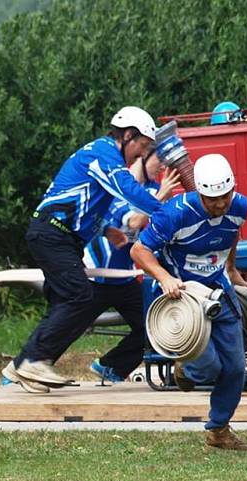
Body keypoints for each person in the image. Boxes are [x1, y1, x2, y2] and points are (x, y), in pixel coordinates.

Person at [2, 106, 165, 392]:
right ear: (127, 135)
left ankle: (23, 365)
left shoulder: (103, 156)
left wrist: (105, 230)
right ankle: (35, 361)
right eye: (142, 145)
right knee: (79, 297)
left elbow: (83, 202)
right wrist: (169, 212)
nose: (141, 153)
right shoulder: (103, 153)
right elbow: (128, 190)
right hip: (53, 235)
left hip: (60, 237)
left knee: (67, 304)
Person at [130, 153, 247, 451]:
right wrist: (164, 278)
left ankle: (219, 430)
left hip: (218, 291)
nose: (220, 204)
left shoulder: (240, 206)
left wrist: (231, 268)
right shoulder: (174, 214)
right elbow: (139, 251)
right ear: (198, 192)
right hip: (182, 297)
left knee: (236, 367)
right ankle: (185, 368)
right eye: (212, 199)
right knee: (210, 368)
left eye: (224, 196)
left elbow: (232, 234)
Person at [87, 150, 181, 383]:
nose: (162, 166)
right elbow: (135, 221)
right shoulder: (115, 187)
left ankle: (110, 367)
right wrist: (162, 196)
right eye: (158, 159)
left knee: (152, 326)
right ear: (142, 157)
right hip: (96, 277)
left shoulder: (150, 191)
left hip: (124, 279)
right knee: (67, 326)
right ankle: (26, 365)